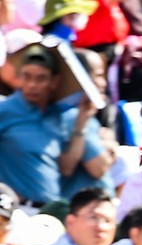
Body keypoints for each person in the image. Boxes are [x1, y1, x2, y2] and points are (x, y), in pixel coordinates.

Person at [0, 45, 109, 206]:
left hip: (51, 209)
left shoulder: (58, 117)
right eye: (27, 76)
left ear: (54, 81)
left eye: (40, 78)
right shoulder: (5, 111)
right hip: (16, 209)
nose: (32, 85)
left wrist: (81, 123)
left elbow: (66, 168)